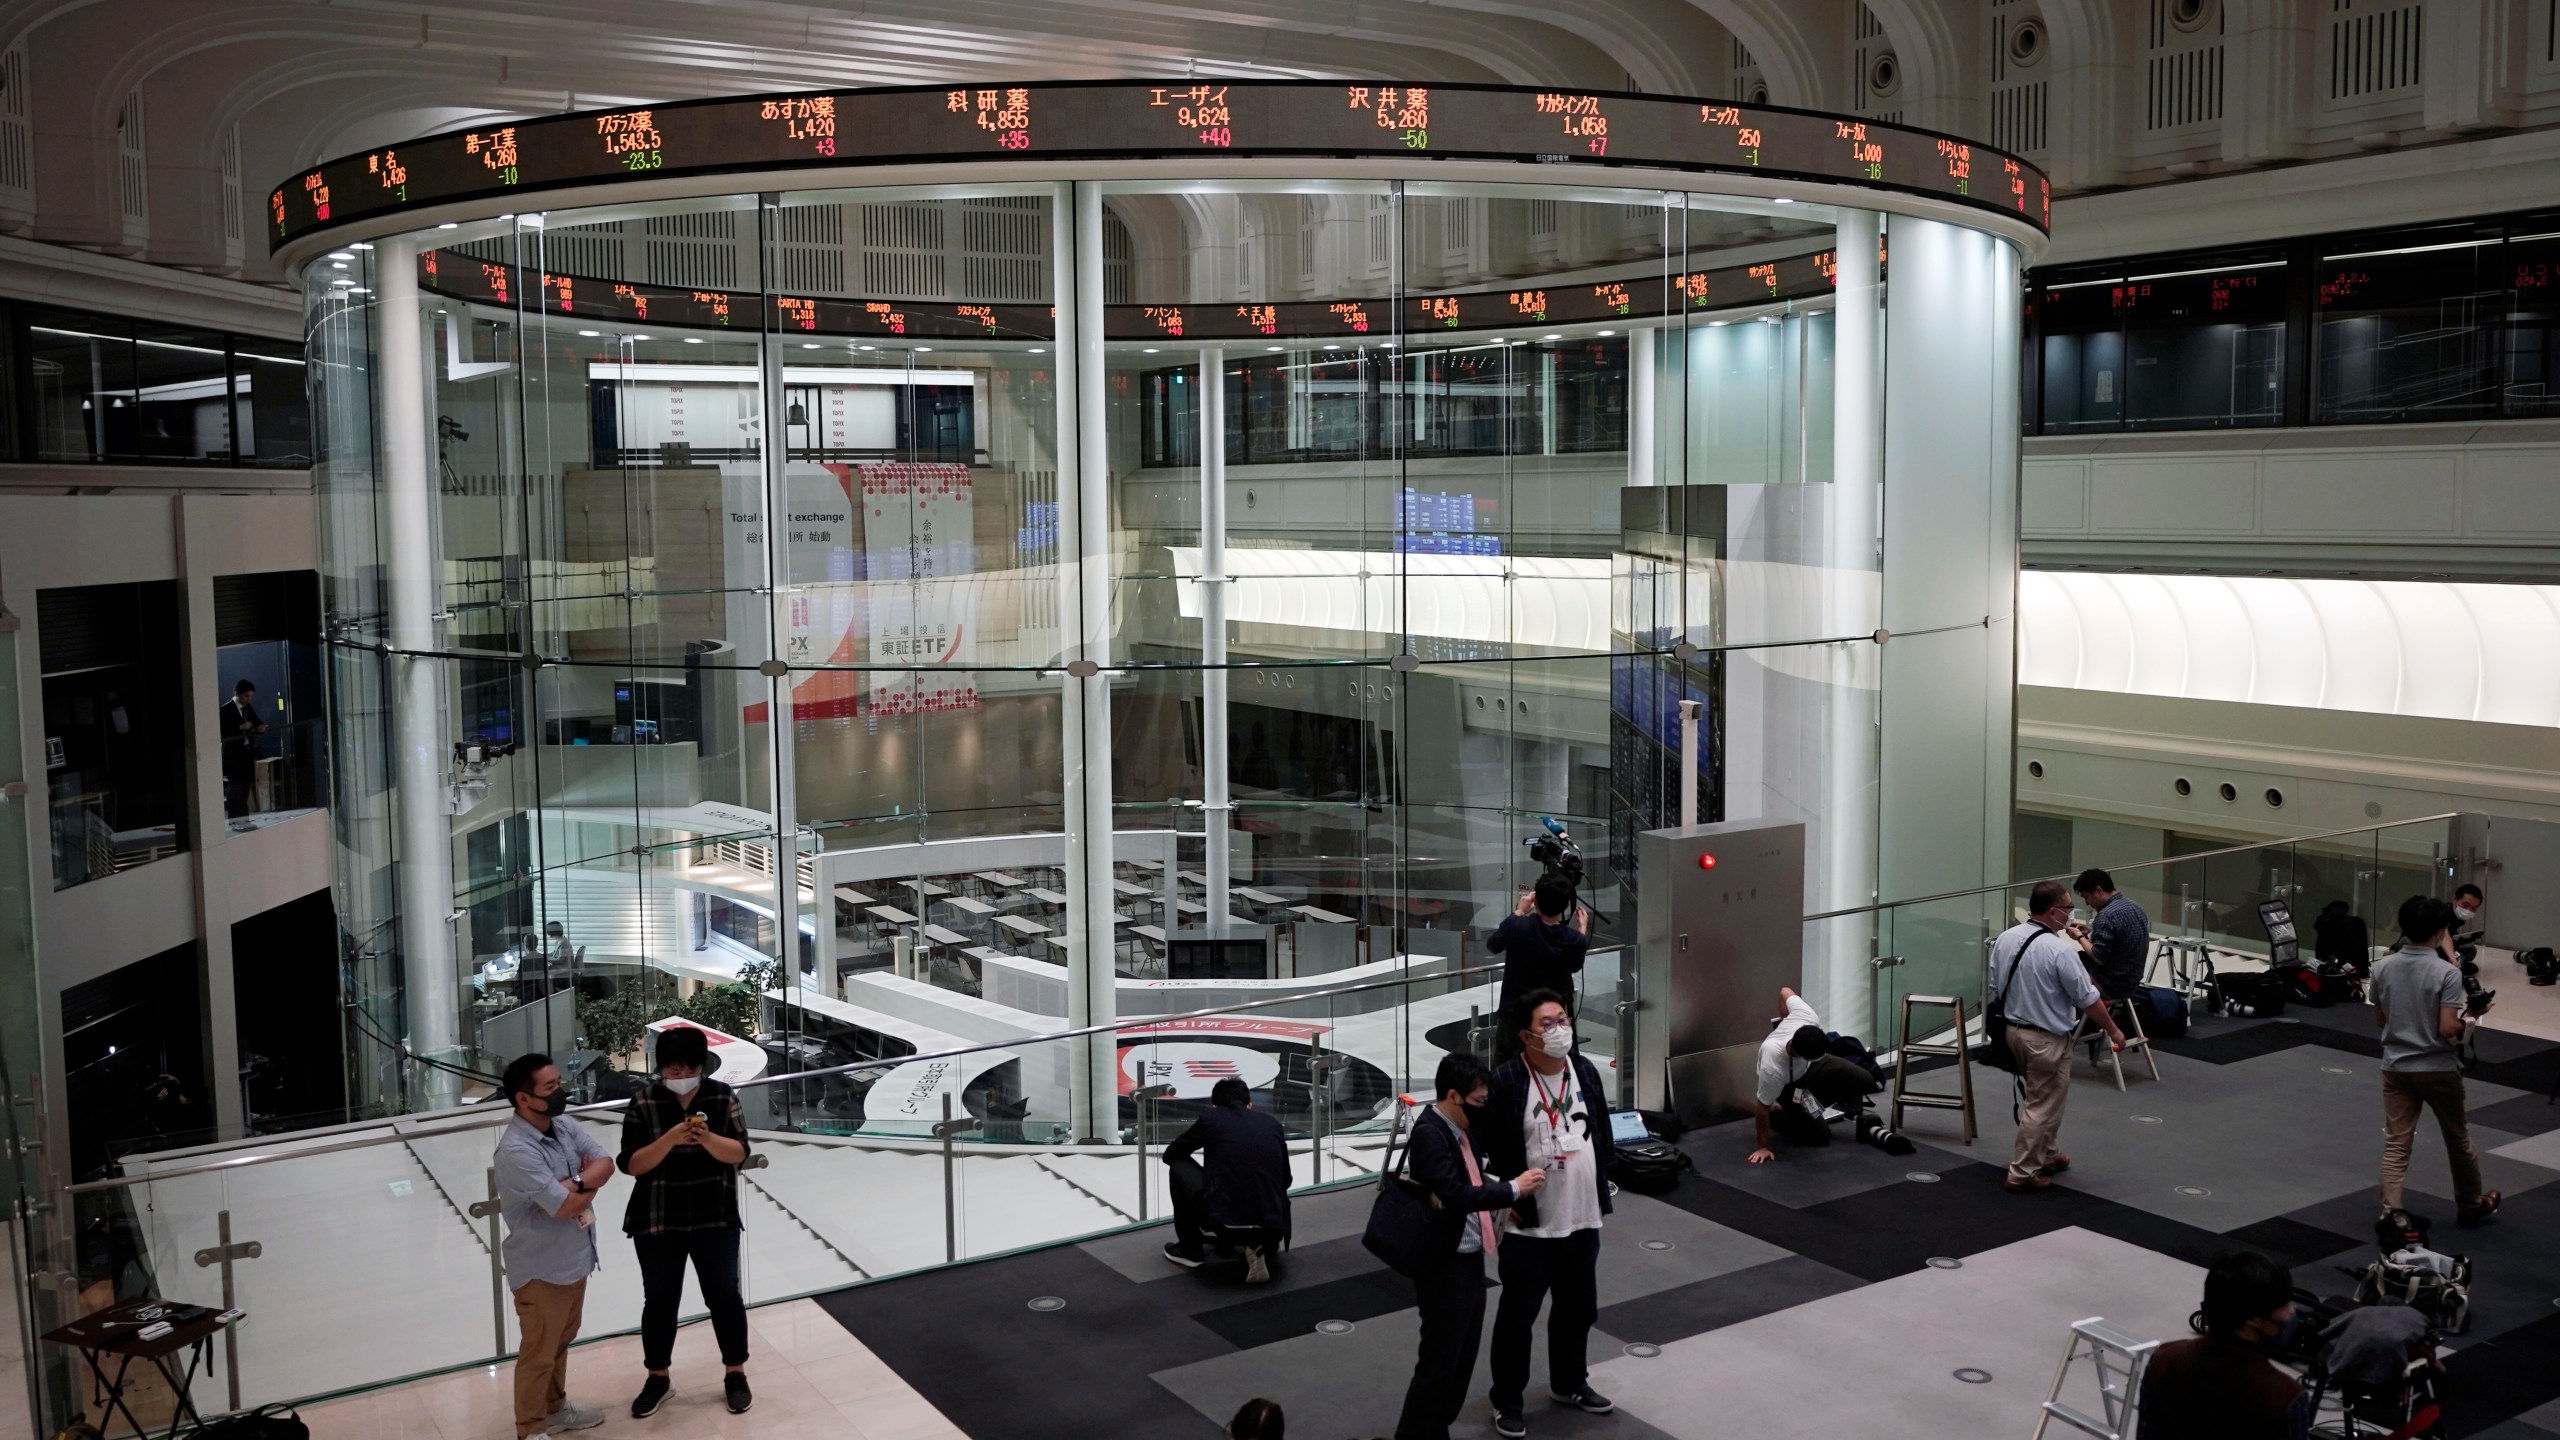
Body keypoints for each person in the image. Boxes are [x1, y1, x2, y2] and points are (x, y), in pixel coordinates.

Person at [1481, 992, 1615, 1438]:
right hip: (1530, 1224)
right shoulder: (1506, 1081)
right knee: (1518, 1318)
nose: (1559, 1029)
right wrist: (1506, 1199)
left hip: (1582, 1215)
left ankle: (1569, 1382)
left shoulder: (1586, 1071)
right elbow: (1486, 1149)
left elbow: (1601, 1132)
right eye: (1547, 1024)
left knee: (1579, 1308)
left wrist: (1604, 1188)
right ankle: (1507, 1399)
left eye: (1563, 1019)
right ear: (1526, 1036)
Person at [1392, 1053, 1545, 1440]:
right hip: (1444, 1266)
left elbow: (1473, 1181)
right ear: (1454, 1096)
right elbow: (1457, 1194)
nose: (1483, 1109)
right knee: (1440, 1360)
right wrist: (1513, 1189)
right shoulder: (1430, 1133)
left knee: (1460, 1357)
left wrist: (1498, 1211)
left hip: (1468, 1258)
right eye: (1478, 1102)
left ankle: (1436, 1428)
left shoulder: (1459, 1129)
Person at [618, 1024, 754, 1417]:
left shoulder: (721, 1096)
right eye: (671, 1070)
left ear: (701, 1066)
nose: (680, 1077)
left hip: (715, 1213)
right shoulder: (644, 1101)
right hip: (658, 1217)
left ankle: (735, 1373)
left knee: (724, 1296)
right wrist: (670, 1139)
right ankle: (657, 1377)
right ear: (661, 1068)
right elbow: (630, 1164)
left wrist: (707, 1138)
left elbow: (740, 1153)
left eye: (687, 1069)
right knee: (660, 1300)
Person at [492, 1053, 614, 1440]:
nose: (560, 1091)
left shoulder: (560, 1123)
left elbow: (606, 1162)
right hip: (541, 1268)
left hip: (575, 1257)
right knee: (539, 1353)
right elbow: (563, 1207)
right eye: (550, 1087)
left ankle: (555, 1408)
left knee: (561, 1340)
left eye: (558, 1083)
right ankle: (530, 1429)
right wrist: (584, 1183)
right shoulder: (515, 1151)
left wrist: (574, 1182)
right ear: (523, 1099)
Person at [2371, 895, 2500, 1227]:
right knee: (2457, 1137)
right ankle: (2471, 1204)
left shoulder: (2382, 967)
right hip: (2437, 1068)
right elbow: (2447, 1029)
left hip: (2396, 1066)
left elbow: (2380, 1018)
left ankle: (2391, 1213)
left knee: (2397, 1142)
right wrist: (2472, 1016)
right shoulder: (2446, 973)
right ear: (2440, 931)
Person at [1991, 880, 2126, 1194]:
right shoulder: (2059, 950)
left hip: (2014, 1031)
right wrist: (2113, 1029)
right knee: (2041, 1105)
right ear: (2053, 912)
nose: (2072, 913)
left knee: (2046, 1099)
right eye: (2068, 908)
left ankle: (2047, 1154)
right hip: (2046, 1038)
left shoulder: (2007, 938)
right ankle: (2022, 1172)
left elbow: (1996, 984)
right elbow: (2087, 998)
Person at [2136, 1251, 2311, 1439]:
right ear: (2252, 1318)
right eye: (2284, 1305)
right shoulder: (2286, 1397)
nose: (2291, 1312)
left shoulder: (2164, 1359)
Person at [1161, 1076, 1293, 1283]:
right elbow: (1286, 1179)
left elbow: (1171, 1154)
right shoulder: (1273, 1124)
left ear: (1214, 1105)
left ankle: (1190, 1250)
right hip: (1274, 1224)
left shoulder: (1211, 1119)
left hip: (1223, 1219)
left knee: (1178, 1167)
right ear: (1250, 1105)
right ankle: (1258, 1243)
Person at [1745, 987, 1881, 1163]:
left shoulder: (1807, 1016)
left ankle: (1813, 1104)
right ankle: (1782, 1116)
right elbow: (1761, 1107)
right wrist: (1762, 1146)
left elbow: (1784, 991)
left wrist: (1784, 1017)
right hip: (1791, 1084)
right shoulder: (1773, 1067)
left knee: (1866, 1080)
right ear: (1798, 1053)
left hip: (1813, 1067)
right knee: (1820, 1136)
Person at [1488, 876, 1592, 1057]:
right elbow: (1575, 965)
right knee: (1547, 1067)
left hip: (1513, 1015)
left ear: (1534, 900)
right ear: (1567, 906)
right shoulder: (1572, 939)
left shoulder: (1516, 925)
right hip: (1549, 1021)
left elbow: (1493, 944)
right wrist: (1582, 930)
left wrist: (1519, 911)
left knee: (1505, 1074)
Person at [2072, 869, 2151, 1004]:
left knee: (2069, 961)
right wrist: (2091, 932)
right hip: (2132, 983)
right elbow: (2119, 940)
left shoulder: (2106, 916)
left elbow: (2098, 957)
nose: (2087, 903)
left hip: (2111, 985)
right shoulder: (2135, 907)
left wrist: (2080, 937)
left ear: (2098, 890)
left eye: (2086, 897)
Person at [218, 679, 266, 817]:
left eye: (251, 696)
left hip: (246, 753)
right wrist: (239, 728)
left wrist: (261, 728)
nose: (249, 699)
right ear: (237, 694)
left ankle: (243, 818)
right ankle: (235, 818)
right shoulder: (225, 710)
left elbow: (257, 722)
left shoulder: (248, 708)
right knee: (235, 787)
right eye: (246, 696)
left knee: (244, 787)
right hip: (233, 755)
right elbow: (221, 731)